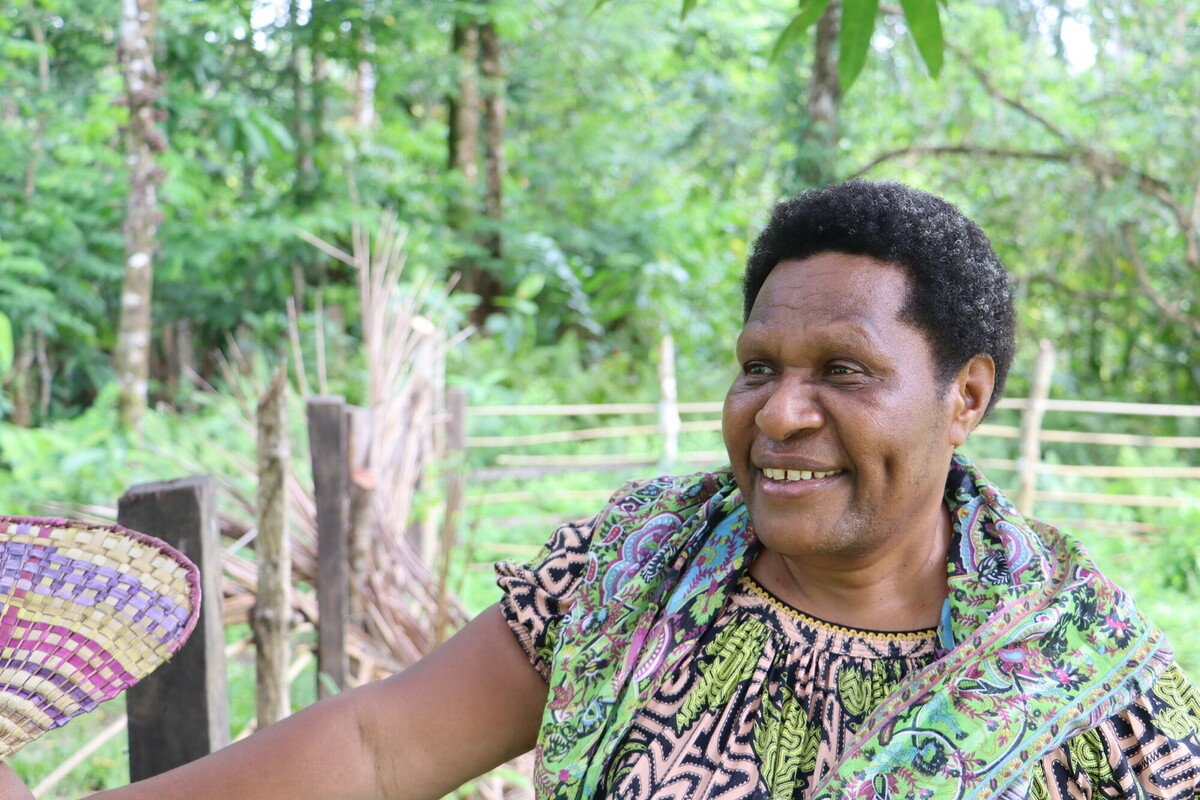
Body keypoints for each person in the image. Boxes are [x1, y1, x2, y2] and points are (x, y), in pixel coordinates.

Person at [3, 179, 1197, 799]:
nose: (781, 412)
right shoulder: (632, 571)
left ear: (967, 393)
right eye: (757, 367)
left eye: (842, 371)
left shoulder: (1084, 673)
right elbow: (372, 746)